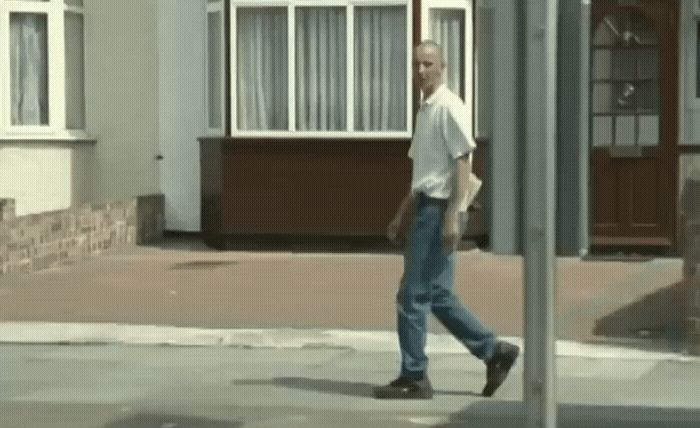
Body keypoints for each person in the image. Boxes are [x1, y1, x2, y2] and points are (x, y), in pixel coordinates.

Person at [373, 40, 519, 400]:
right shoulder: (425, 111)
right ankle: (494, 351)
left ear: (442, 67)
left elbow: (463, 161)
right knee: (436, 293)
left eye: (428, 64)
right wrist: (399, 215)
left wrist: (454, 216)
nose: (421, 71)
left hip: (438, 211)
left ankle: (414, 375)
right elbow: (423, 173)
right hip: (425, 206)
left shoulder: (449, 107)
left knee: (411, 296)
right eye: (416, 64)